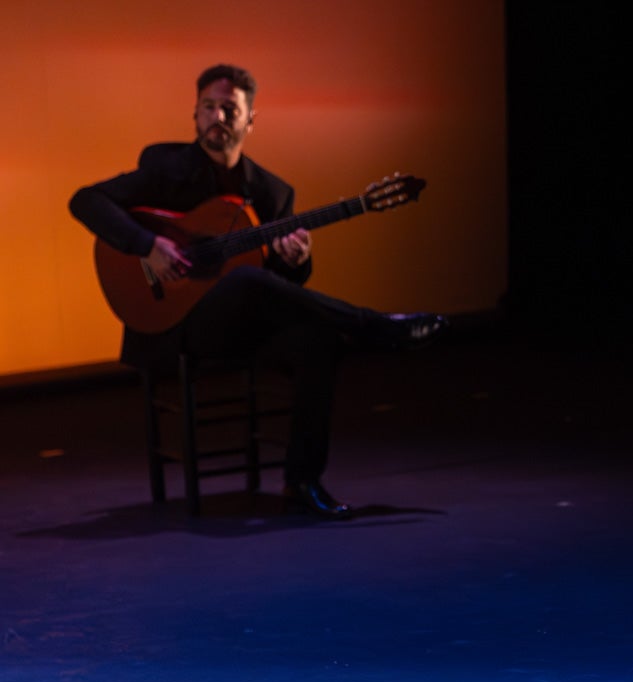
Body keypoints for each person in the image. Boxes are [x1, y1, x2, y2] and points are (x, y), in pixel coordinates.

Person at [69, 63, 448, 520]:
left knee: (318, 340)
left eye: (229, 109)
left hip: (238, 326)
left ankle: (301, 480)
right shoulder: (167, 169)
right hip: (173, 325)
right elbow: (84, 200)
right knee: (245, 279)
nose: (217, 118)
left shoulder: (270, 193)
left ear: (250, 121)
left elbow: (282, 292)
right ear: (194, 116)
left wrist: (296, 260)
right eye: (208, 108)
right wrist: (149, 246)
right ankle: (375, 326)